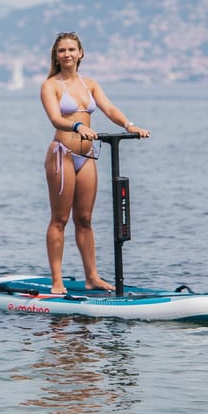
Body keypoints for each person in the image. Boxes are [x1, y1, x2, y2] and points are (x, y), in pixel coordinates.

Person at [40, 31, 150, 295]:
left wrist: (129, 125)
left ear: (81, 53)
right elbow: (55, 118)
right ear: (56, 55)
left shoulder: (89, 84)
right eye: (61, 50)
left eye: (71, 50)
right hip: (62, 153)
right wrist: (77, 125)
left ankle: (92, 278)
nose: (67, 54)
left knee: (85, 219)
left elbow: (108, 108)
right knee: (60, 219)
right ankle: (57, 282)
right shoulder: (51, 86)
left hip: (87, 156)